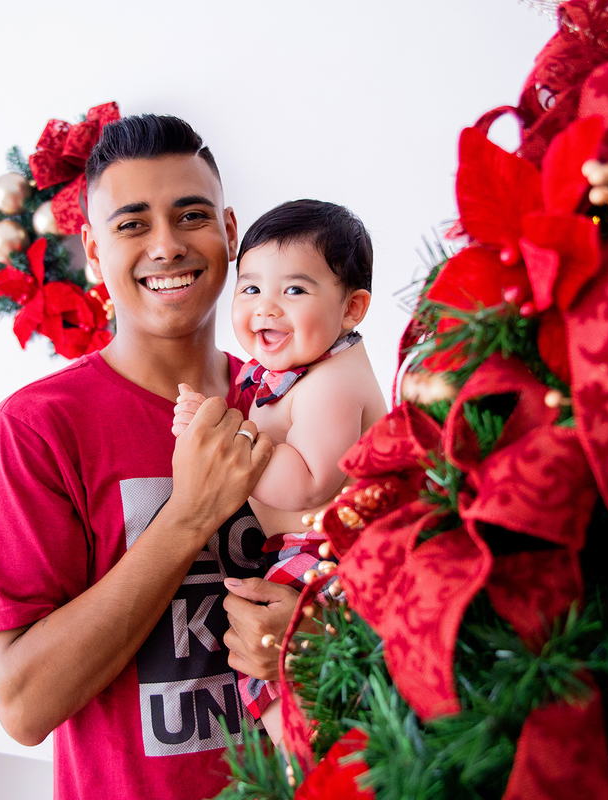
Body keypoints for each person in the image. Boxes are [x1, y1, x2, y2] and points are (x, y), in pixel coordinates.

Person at [0, 115, 297, 800]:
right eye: (132, 225)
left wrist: (309, 632)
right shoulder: (38, 429)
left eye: (191, 215)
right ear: (93, 250)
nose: (167, 245)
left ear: (231, 230)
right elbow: (22, 705)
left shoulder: (292, 402)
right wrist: (187, 518)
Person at [172, 199, 387, 742]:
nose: (266, 308)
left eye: (293, 290)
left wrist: (222, 437)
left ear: (352, 309)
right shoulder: (285, 371)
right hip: (304, 554)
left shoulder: (334, 382)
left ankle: (307, 767)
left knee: (281, 682)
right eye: (250, 288)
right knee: (264, 670)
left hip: (338, 558)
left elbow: (307, 481)